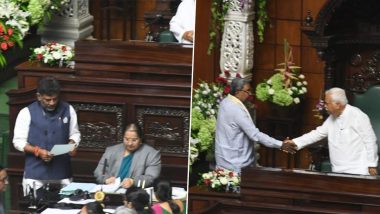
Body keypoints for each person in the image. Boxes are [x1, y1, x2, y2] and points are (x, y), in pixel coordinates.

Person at [12, 76, 81, 195]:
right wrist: (38, 151)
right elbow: (18, 142)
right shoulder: (26, 112)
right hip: (36, 175)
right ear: (39, 96)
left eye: (55, 99)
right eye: (47, 100)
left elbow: (75, 133)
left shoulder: (68, 110)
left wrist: (72, 145)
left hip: (62, 174)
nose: (52, 103)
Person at [287, 87, 379, 175]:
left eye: (327, 103)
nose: (325, 106)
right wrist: (294, 142)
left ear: (338, 104)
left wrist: (372, 165)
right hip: (337, 170)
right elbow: (317, 134)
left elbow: (370, 141)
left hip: (358, 170)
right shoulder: (332, 117)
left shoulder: (358, 115)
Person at [215, 77, 297, 173]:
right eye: (247, 91)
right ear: (237, 92)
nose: (249, 94)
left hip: (223, 161)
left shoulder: (225, 102)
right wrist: (280, 144)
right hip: (236, 164)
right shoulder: (236, 109)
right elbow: (255, 135)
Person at [94, 123, 161, 188]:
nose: (130, 143)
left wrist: (133, 181)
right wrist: (106, 180)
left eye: (134, 140)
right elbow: (99, 171)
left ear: (140, 139)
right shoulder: (111, 151)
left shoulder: (152, 154)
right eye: (126, 139)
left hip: (135, 192)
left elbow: (151, 177)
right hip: (111, 190)